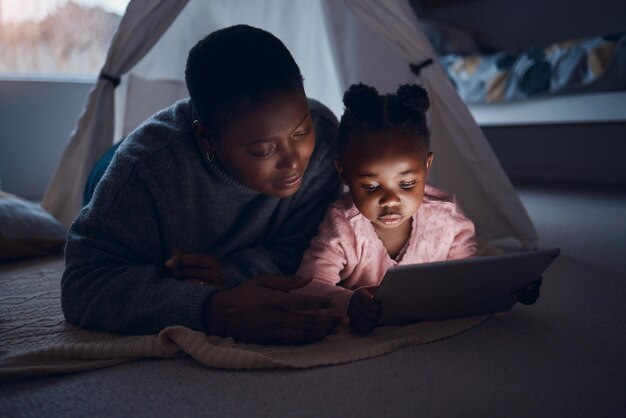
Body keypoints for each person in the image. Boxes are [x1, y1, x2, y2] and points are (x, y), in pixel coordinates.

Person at [61, 25, 345, 345]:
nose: (294, 161)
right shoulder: (143, 172)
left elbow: (304, 248)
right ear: (206, 137)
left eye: (300, 131)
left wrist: (228, 275)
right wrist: (210, 309)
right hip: (113, 167)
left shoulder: (324, 141)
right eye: (263, 150)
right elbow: (82, 283)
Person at [293, 83, 478, 333]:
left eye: (408, 183)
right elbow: (310, 283)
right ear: (343, 173)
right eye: (370, 186)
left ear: (427, 166)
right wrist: (348, 303)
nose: (390, 200)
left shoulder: (447, 217)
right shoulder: (343, 225)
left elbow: (470, 275)